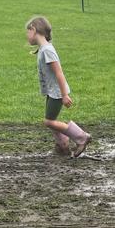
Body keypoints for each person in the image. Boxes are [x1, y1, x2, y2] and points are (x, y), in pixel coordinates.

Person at [25, 15, 91, 157]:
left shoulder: (47, 50)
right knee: (51, 120)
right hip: (52, 92)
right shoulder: (43, 49)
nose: (27, 36)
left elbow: (59, 73)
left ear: (34, 30)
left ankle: (81, 137)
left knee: (49, 121)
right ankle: (63, 146)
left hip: (57, 93)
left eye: (27, 32)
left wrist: (64, 95)